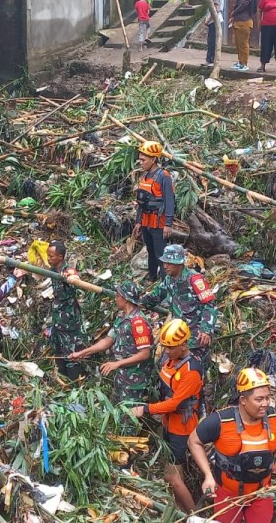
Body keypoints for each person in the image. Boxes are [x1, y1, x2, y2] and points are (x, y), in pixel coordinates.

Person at [188, 368, 276, 523]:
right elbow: (193, 441)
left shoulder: (275, 417)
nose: (265, 404)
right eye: (259, 399)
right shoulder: (221, 421)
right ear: (243, 400)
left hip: (262, 493)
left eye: (268, 398)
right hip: (227, 494)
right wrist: (208, 475)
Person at [131, 319, 203, 512]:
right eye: (165, 347)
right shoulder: (171, 360)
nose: (167, 351)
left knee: (172, 476)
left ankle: (193, 514)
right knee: (173, 472)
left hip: (182, 427)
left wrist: (145, 409)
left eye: (171, 347)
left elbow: (175, 403)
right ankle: (179, 509)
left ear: (184, 345)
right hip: (169, 425)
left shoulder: (191, 371)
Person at [68, 281, 155, 405]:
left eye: (118, 296)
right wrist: (81, 353)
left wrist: (117, 364)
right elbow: (108, 340)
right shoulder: (121, 317)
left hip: (135, 380)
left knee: (129, 417)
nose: (116, 299)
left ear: (125, 299)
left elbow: (145, 354)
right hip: (122, 377)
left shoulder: (138, 322)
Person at [141, 244, 220, 372]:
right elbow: (156, 296)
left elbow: (209, 305)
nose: (165, 266)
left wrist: (206, 330)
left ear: (179, 264)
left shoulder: (194, 280)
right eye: (164, 262)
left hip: (195, 338)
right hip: (177, 337)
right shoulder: (169, 279)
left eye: (169, 263)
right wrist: (139, 302)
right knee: (165, 368)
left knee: (194, 372)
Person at [134, 140, 175, 282]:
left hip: (158, 223)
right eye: (140, 159)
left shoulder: (164, 176)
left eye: (143, 160)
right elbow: (141, 202)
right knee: (150, 252)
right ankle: (152, 279)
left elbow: (169, 200)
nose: (141, 162)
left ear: (153, 159)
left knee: (160, 254)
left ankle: (165, 285)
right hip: (146, 222)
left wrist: (168, 223)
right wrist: (138, 222)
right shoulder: (145, 176)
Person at [46, 241, 85, 380]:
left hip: (68, 321)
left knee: (71, 353)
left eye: (51, 256)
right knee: (58, 351)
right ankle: (62, 381)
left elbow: (74, 276)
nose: (49, 259)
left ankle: (74, 383)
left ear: (60, 257)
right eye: (48, 255)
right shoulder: (52, 270)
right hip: (57, 319)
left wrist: (71, 278)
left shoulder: (66, 270)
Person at [229, 0, 255, 71]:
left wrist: (234, 12)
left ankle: (244, 63)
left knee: (243, 44)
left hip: (245, 23)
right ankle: (240, 62)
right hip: (239, 22)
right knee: (238, 44)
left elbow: (244, 4)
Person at [204, 0, 226, 67]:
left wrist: (207, 20)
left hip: (214, 21)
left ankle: (210, 60)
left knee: (212, 41)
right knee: (213, 40)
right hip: (216, 20)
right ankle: (211, 60)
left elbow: (215, 9)